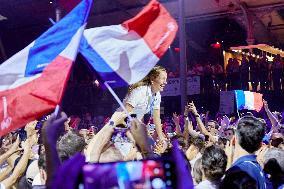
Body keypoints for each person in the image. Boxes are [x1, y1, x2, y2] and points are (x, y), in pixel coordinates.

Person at [120, 66, 168, 142]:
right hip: (123, 128)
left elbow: (157, 118)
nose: (166, 82)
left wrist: (161, 137)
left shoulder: (157, 94)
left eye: (166, 79)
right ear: (153, 79)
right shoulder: (140, 91)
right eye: (163, 78)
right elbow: (124, 114)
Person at [221, 116, 266, 189]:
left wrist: (228, 168)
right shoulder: (258, 166)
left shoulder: (239, 171)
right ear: (260, 145)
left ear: (234, 139)